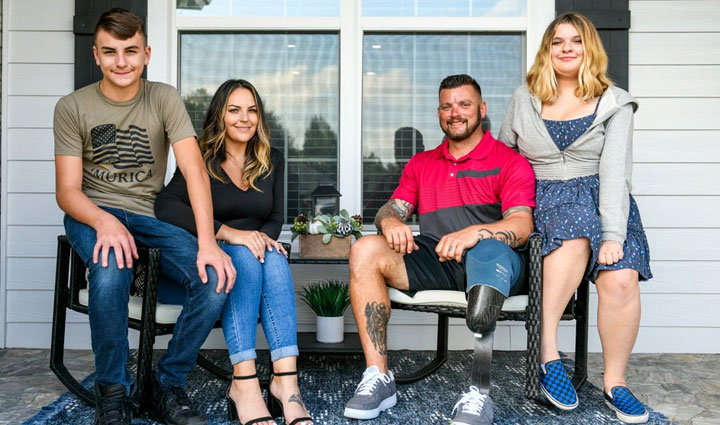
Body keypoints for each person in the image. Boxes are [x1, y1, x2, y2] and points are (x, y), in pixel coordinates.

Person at [53, 8, 236, 425]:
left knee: (215, 279)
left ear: (147, 53)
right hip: (91, 212)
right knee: (111, 269)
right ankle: (113, 394)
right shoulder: (71, 107)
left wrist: (208, 243)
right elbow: (67, 192)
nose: (122, 61)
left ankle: (166, 384)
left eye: (131, 51)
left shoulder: (164, 98)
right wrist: (104, 221)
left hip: (149, 217)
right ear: (96, 55)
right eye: (111, 52)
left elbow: (194, 173)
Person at [343, 74, 536, 425]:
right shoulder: (422, 164)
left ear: (481, 109)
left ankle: (480, 393)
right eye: (447, 106)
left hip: (495, 263)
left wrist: (475, 233)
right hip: (439, 260)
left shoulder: (509, 161)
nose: (455, 113)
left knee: (487, 251)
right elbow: (392, 207)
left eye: (464, 104)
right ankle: (379, 377)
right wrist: (390, 222)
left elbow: (522, 226)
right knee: (365, 249)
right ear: (438, 112)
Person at [499, 12, 652, 424]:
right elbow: (504, 159)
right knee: (570, 233)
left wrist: (613, 232)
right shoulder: (524, 97)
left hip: (604, 201)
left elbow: (616, 172)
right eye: (557, 41)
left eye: (576, 40)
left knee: (621, 278)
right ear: (547, 51)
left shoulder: (615, 102)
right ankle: (548, 354)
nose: (567, 48)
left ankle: (615, 383)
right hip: (543, 201)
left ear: (590, 49)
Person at [155, 79, 313, 425]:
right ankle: (244, 382)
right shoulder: (201, 157)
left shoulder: (271, 159)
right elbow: (166, 207)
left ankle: (286, 384)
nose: (245, 118)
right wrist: (229, 234)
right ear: (220, 116)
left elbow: (274, 218)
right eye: (235, 110)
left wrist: (260, 238)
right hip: (208, 262)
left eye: (252, 110)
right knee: (244, 254)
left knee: (272, 254)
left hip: (252, 261)